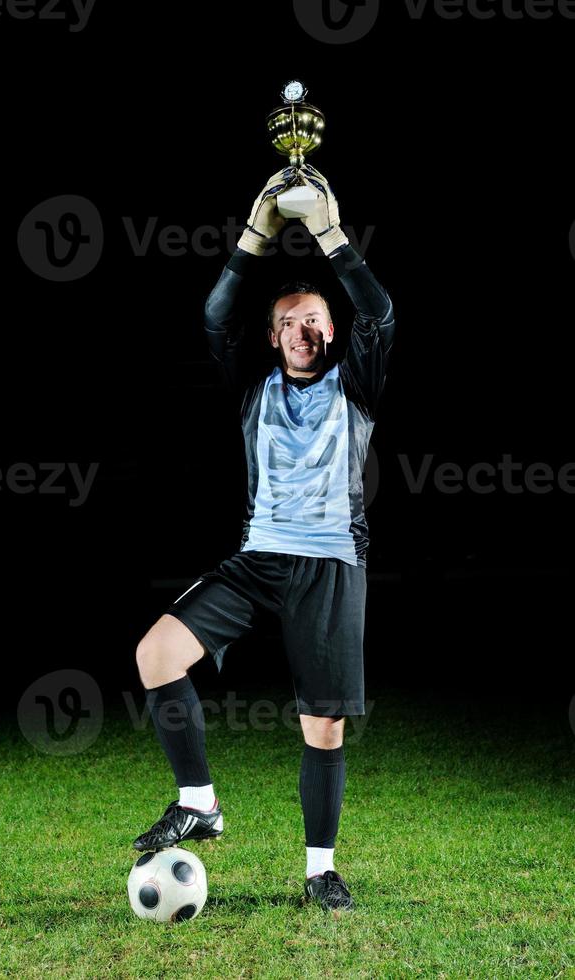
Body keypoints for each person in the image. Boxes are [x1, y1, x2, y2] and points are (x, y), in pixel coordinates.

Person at [133, 165, 395, 912]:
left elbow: (381, 312)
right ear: (275, 335)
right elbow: (216, 317)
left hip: (332, 562)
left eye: (314, 319)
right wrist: (254, 238)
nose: (303, 330)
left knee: (323, 724)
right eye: (289, 321)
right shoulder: (255, 385)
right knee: (156, 653)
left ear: (330, 330)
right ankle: (200, 802)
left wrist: (330, 234)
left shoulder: (356, 383)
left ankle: (319, 871)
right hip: (258, 558)